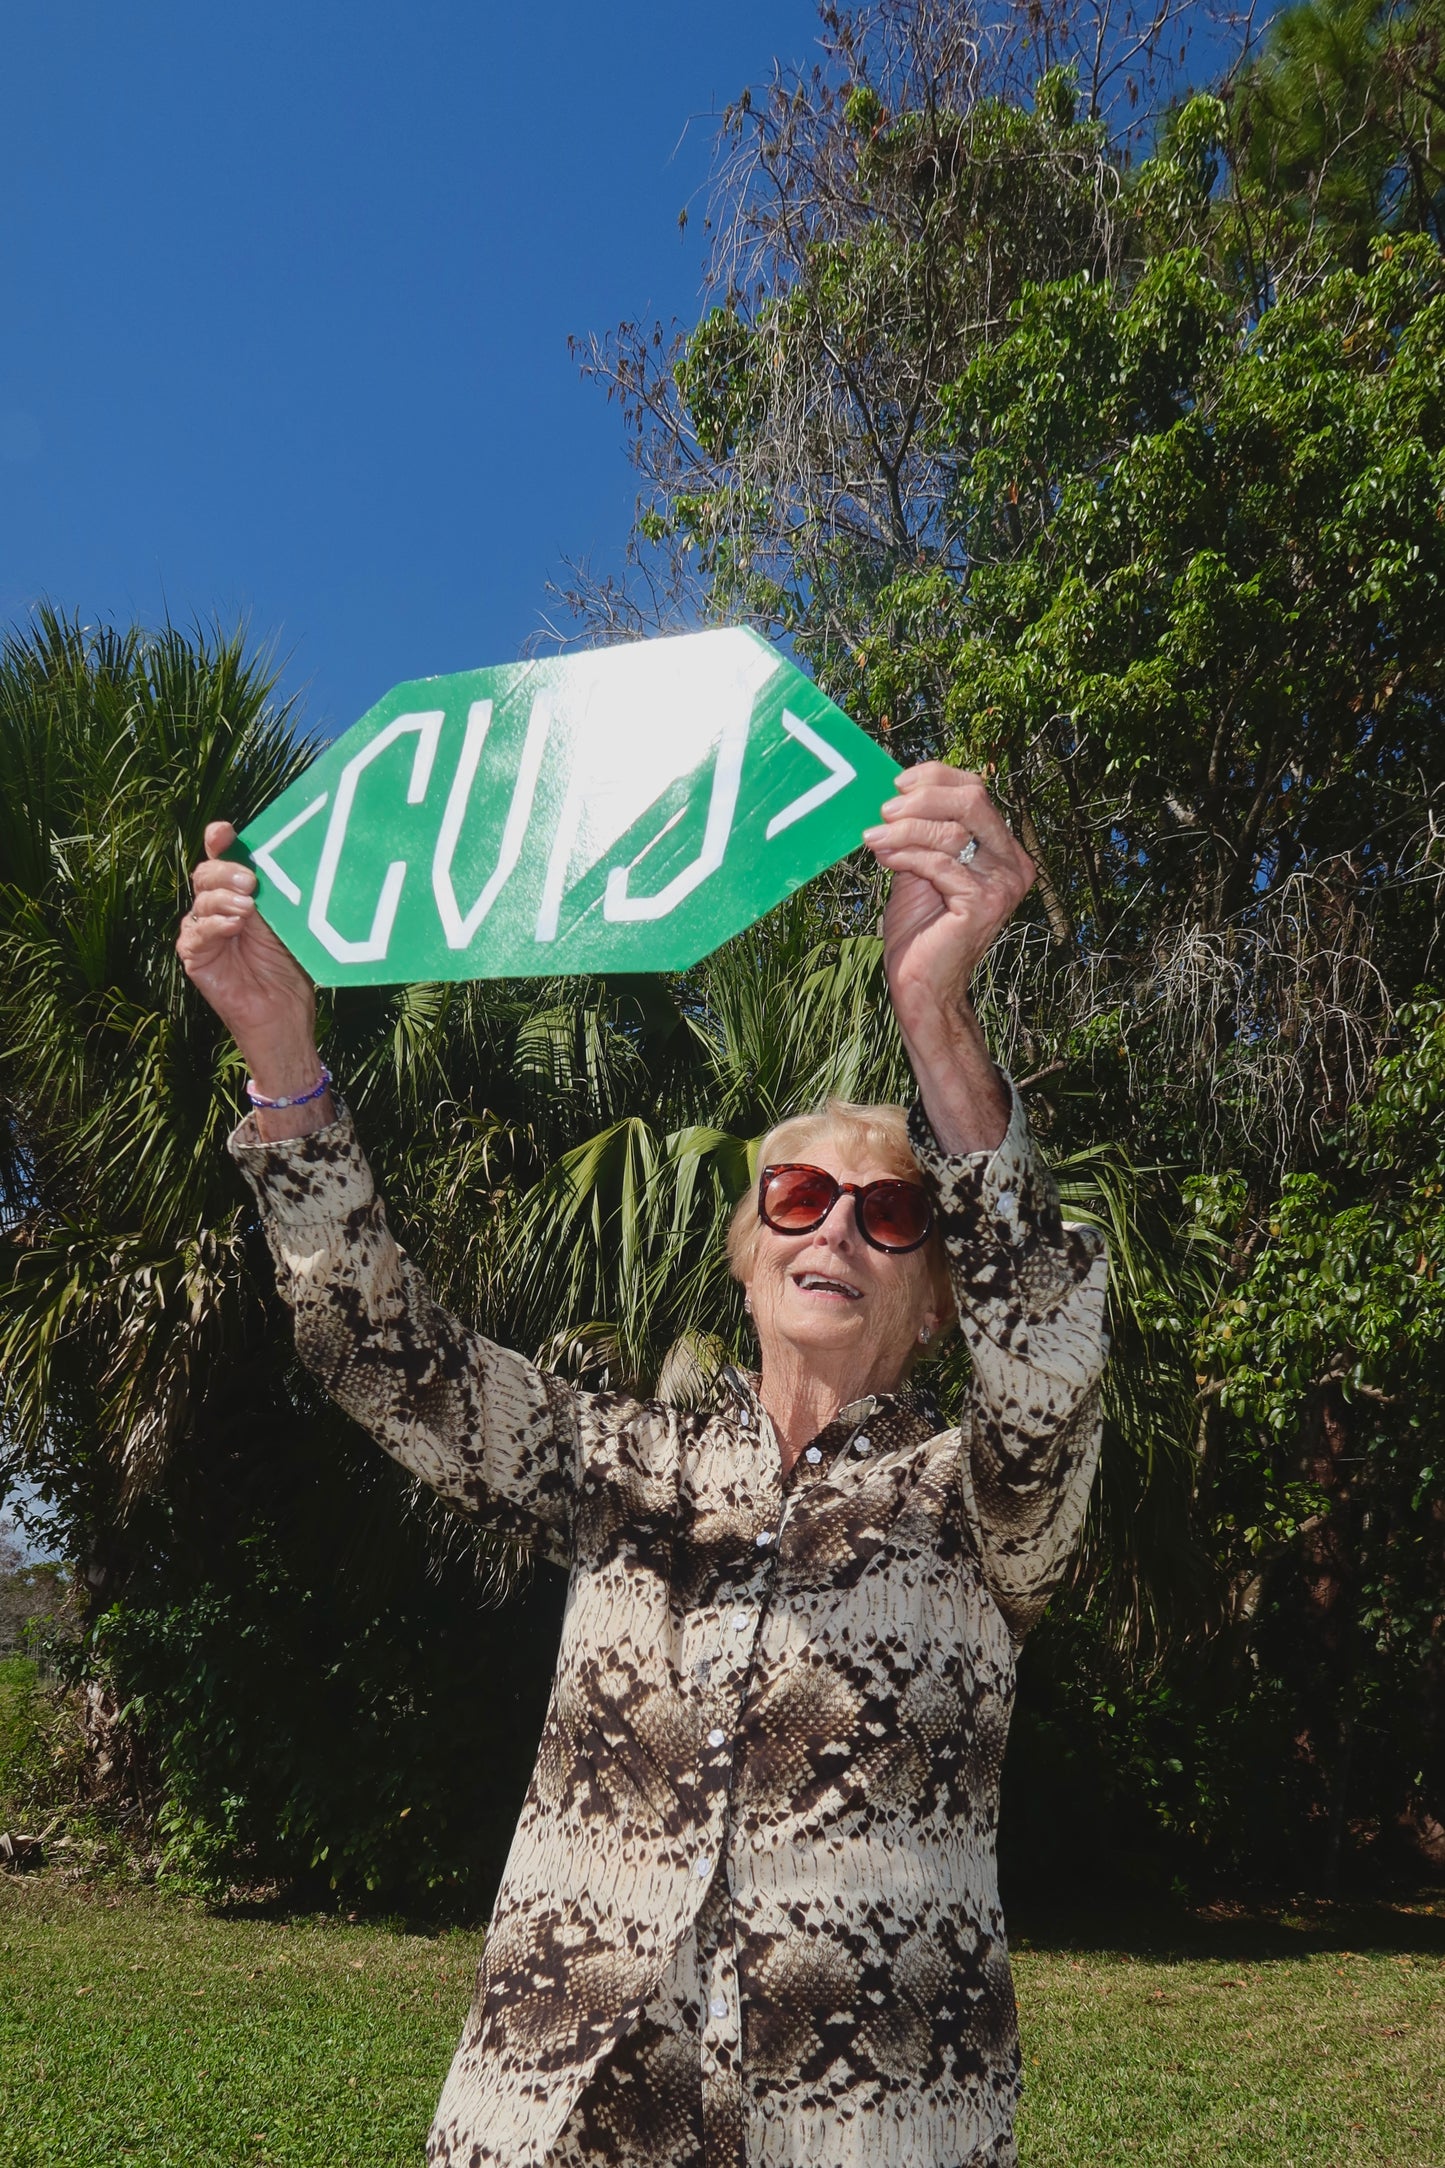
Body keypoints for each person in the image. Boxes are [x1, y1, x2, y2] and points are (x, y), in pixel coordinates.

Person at [179, 761, 1108, 2168]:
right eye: (798, 1196)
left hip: (875, 2130)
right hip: (558, 2109)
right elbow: (385, 1357)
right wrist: (280, 1059)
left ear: (936, 1300)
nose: (835, 1228)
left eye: (889, 1215)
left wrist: (934, 1013)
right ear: (748, 1258)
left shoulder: (978, 1509)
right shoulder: (624, 1466)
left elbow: (1047, 1357)